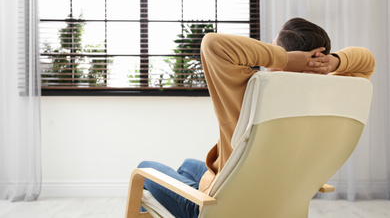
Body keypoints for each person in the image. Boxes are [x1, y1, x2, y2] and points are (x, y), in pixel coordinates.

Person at [138, 18, 376, 218]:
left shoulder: (251, 91)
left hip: (219, 208)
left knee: (144, 169)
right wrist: (334, 61)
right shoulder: (330, 95)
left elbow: (213, 43)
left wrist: (284, 59)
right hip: (282, 202)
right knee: (190, 165)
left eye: (274, 48)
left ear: (284, 59)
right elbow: (366, 59)